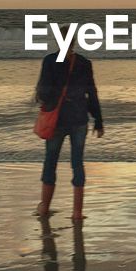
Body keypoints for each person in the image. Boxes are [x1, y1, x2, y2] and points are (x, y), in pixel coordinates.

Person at [33, 31, 104, 220]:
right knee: (77, 163)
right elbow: (92, 92)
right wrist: (98, 120)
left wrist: (45, 100)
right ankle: (77, 212)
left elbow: (43, 90)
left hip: (57, 120)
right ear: (74, 41)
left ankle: (44, 207)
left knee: (50, 162)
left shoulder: (49, 61)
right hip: (79, 118)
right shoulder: (84, 63)